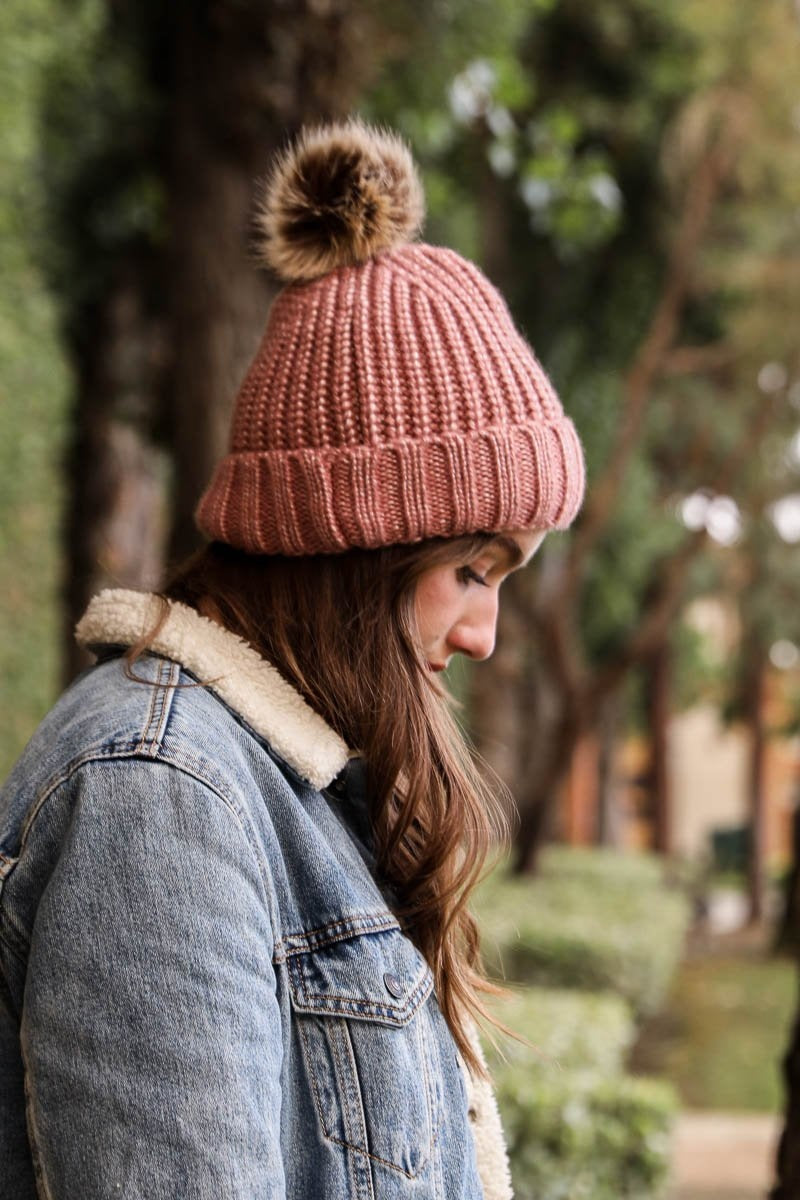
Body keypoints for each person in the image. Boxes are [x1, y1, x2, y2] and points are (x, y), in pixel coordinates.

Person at [0, 120, 584, 1199]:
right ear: (358, 540)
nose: (482, 634)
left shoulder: (286, 793)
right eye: (472, 569)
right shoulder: (157, 798)